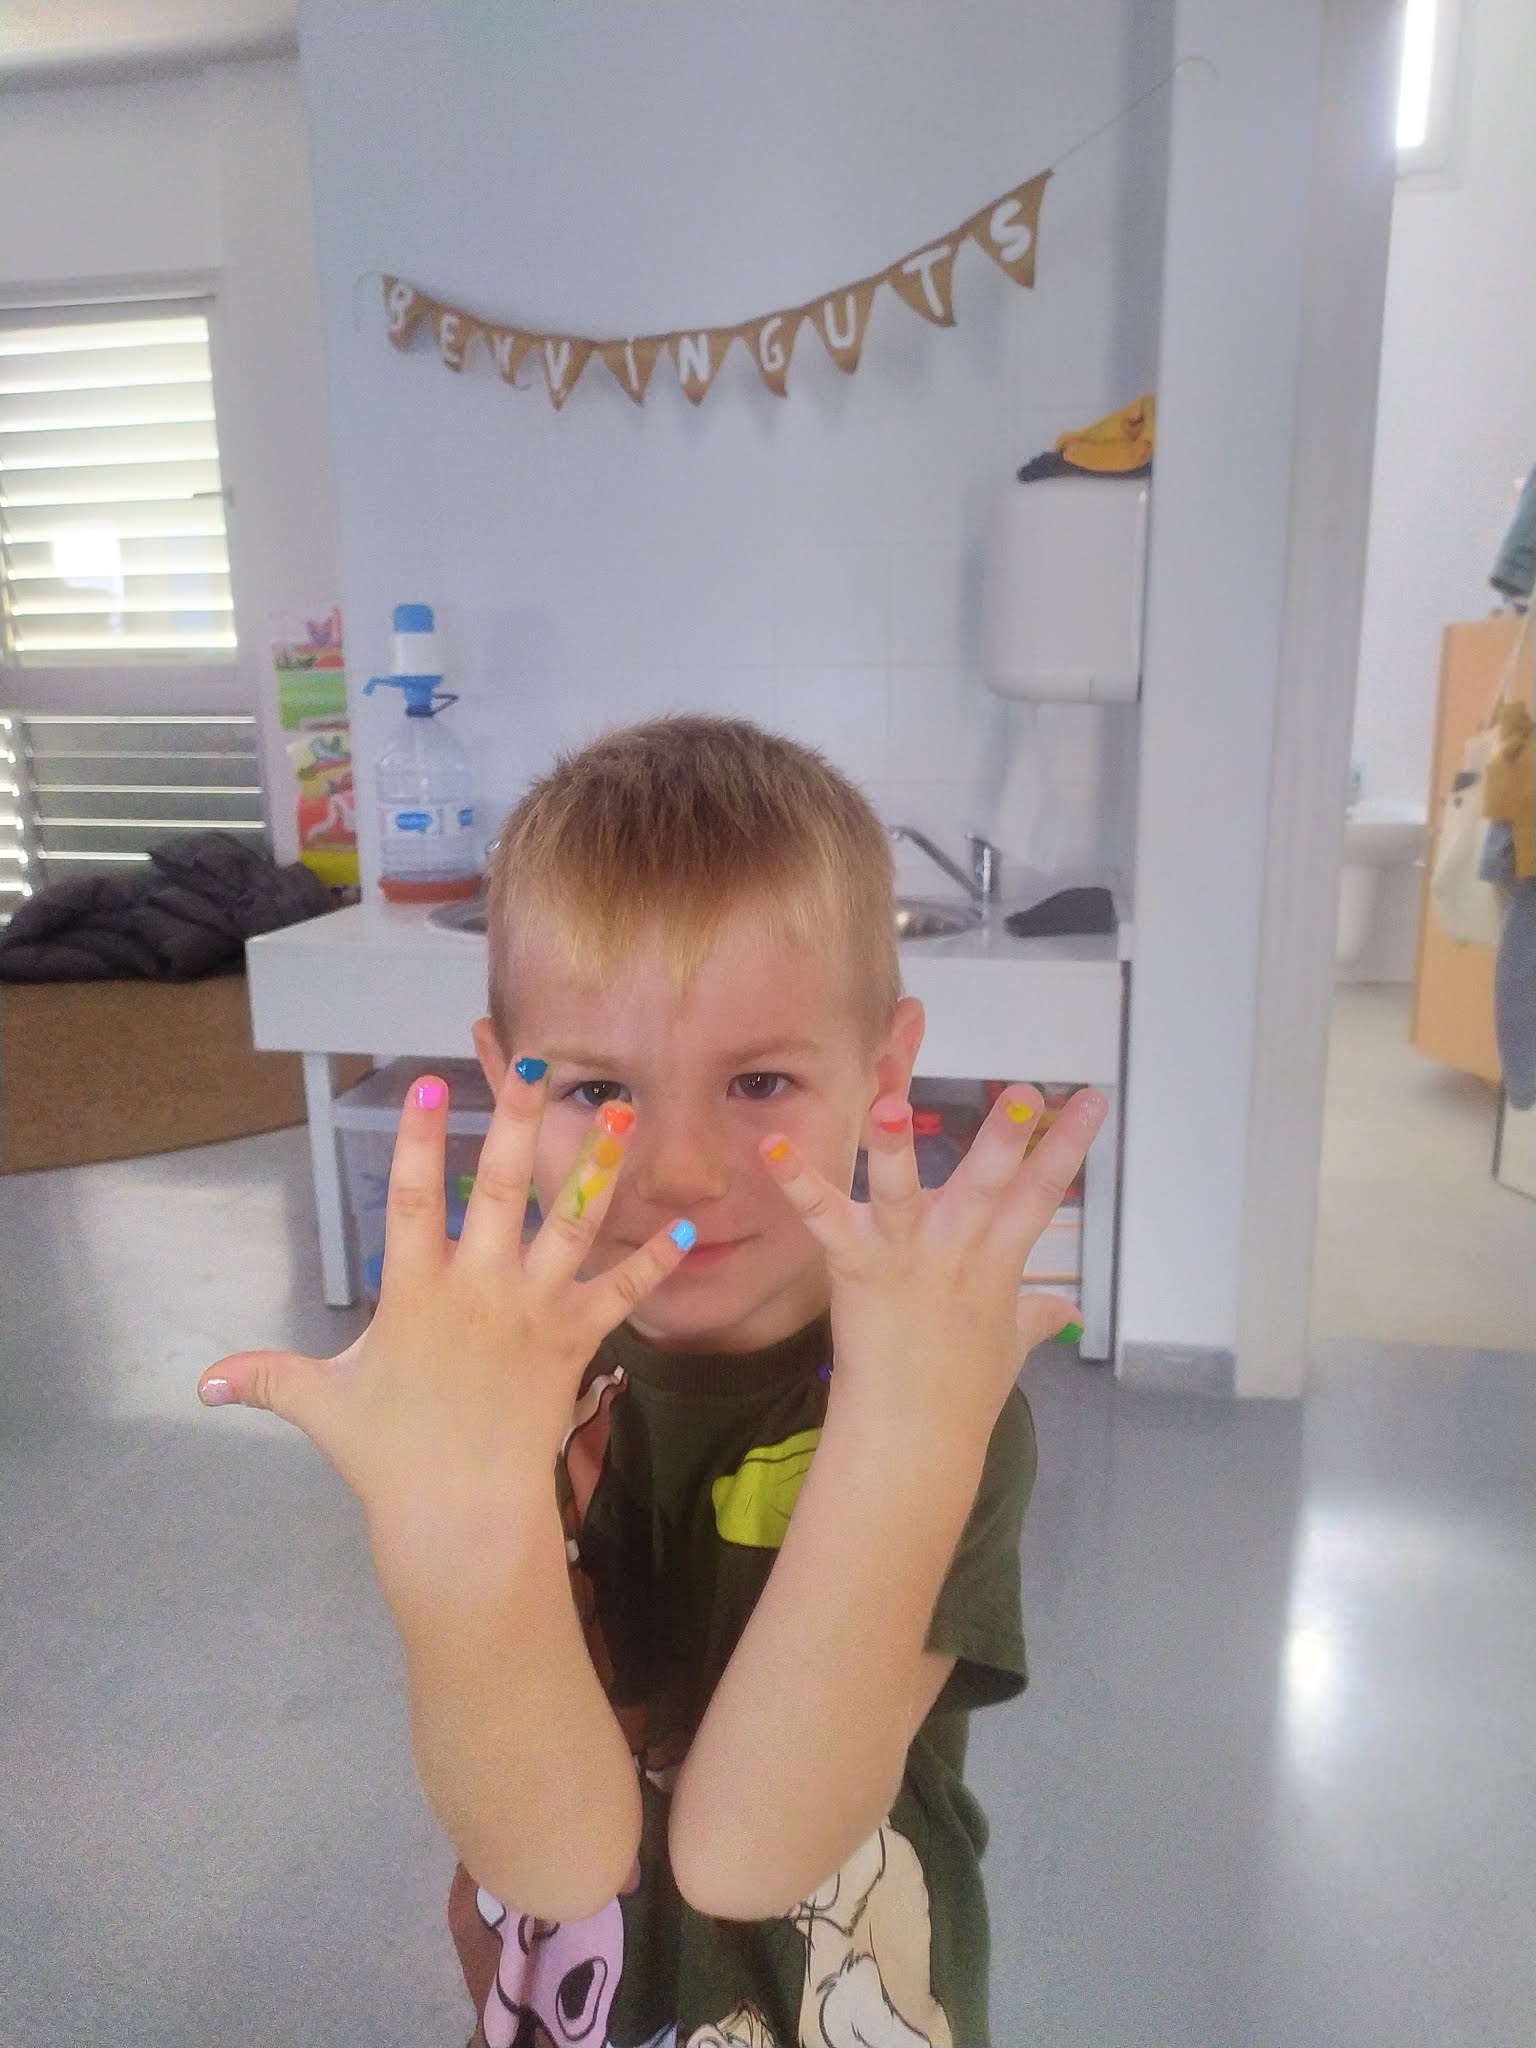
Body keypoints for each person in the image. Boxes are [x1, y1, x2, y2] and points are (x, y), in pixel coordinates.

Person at [198, 714, 1104, 2048]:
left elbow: (748, 1856)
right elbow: (553, 1862)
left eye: (760, 1080)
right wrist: (449, 1528)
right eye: (596, 1091)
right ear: (504, 1079)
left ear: (883, 1071)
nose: (677, 1169)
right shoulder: (496, 1400)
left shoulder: (941, 1410)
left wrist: (908, 1431)